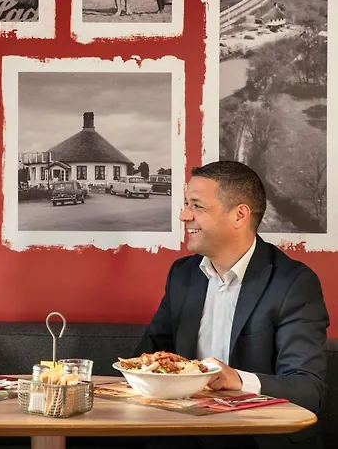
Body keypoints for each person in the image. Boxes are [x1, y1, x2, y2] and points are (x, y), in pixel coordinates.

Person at [134, 160, 329, 449]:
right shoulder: (182, 274)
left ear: (239, 215)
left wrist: (237, 379)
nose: (184, 215)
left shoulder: (294, 283)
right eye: (186, 204)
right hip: (180, 433)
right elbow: (144, 359)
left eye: (197, 206)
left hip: (256, 439)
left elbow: (309, 390)